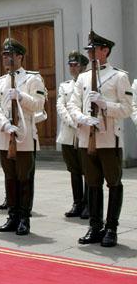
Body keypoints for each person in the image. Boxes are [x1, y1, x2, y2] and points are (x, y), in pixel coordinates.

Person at [67, 31, 132, 248]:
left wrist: (105, 105)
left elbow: (127, 109)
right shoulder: (84, 77)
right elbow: (72, 104)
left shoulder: (119, 76)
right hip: (87, 138)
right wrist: (83, 118)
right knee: (93, 183)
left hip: (108, 139)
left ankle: (111, 228)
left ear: (105, 51)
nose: (91, 53)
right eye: (89, 50)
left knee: (113, 183)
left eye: (95, 49)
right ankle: (95, 226)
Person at [0, 38, 46, 236]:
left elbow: (39, 104)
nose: (7, 59)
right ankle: (12, 216)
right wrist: (4, 124)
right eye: (4, 55)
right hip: (6, 135)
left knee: (24, 178)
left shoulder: (33, 79)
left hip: (25, 136)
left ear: (20, 56)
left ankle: (24, 218)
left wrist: (22, 97)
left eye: (10, 55)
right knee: (10, 177)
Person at [57, 51, 90, 219]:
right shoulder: (65, 86)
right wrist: (74, 121)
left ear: (84, 66)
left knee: (89, 170)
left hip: (85, 132)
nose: (72, 67)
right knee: (74, 170)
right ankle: (77, 203)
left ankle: (89, 204)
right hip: (69, 133)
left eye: (75, 64)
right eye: (70, 64)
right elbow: (61, 107)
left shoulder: (90, 84)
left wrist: (81, 121)